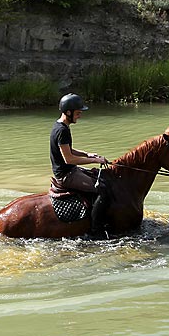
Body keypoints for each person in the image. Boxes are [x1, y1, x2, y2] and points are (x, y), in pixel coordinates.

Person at [50, 93, 111, 235]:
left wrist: (87, 154)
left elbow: (68, 150)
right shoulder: (62, 131)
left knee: (100, 178)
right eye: (78, 113)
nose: (80, 116)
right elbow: (69, 159)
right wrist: (95, 160)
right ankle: (96, 230)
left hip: (71, 170)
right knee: (102, 189)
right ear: (68, 112)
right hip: (66, 175)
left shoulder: (60, 126)